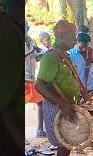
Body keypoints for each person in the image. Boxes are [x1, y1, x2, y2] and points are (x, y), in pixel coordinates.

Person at [35, 20, 82, 156]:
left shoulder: (64, 55)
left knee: (67, 144)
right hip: (57, 108)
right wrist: (62, 103)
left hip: (66, 106)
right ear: (60, 36)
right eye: (72, 35)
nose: (75, 39)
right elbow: (39, 85)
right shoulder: (51, 57)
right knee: (63, 144)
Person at [25, 23, 46, 137]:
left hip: (32, 78)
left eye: (26, 27)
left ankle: (40, 130)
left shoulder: (32, 41)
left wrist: (40, 55)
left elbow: (35, 58)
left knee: (40, 103)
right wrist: (31, 52)